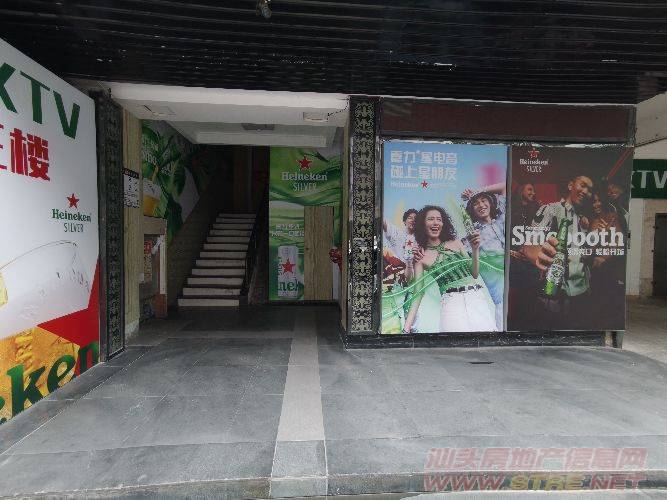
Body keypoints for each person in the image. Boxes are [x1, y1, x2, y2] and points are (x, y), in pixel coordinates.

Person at [402, 205, 496, 333]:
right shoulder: (421, 257)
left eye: (439, 219)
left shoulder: (455, 243)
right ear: (422, 224)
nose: (436, 223)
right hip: (451, 303)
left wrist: (475, 249)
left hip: (476, 298)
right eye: (430, 219)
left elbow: (474, 274)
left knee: (485, 339)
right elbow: (418, 293)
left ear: (443, 223)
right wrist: (406, 328)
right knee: (455, 343)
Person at [520, 175, 594, 329]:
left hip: (582, 294)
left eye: (590, 190)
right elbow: (529, 247)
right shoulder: (550, 209)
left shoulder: (585, 218)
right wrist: (537, 255)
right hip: (553, 296)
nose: (586, 192)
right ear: (570, 185)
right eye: (582, 185)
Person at [461, 183, 506, 329]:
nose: (481, 205)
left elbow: (504, 187)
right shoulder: (473, 236)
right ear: (471, 211)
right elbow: (471, 269)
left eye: (483, 200)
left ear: (490, 202)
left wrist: (478, 191)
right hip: (499, 298)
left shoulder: (502, 218)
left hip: (518, 288)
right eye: (475, 203)